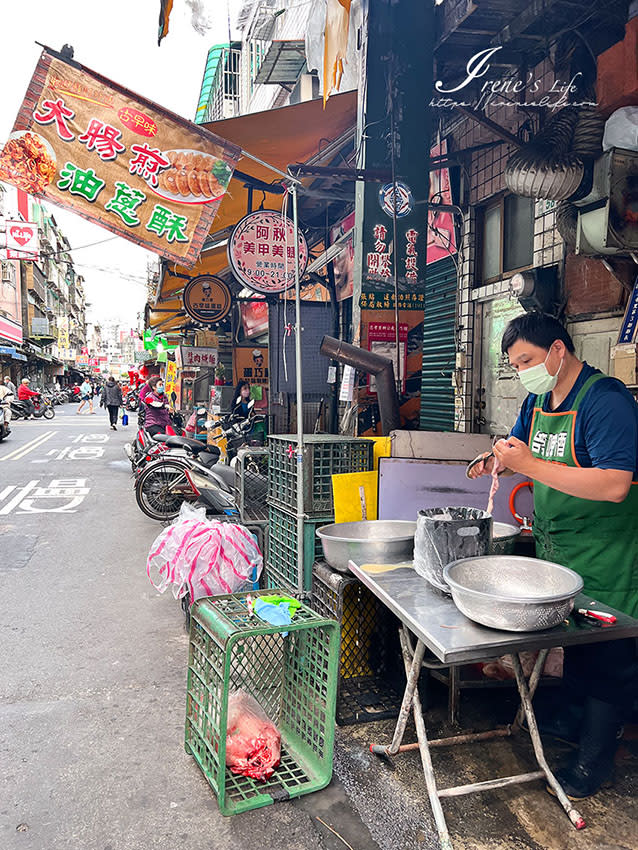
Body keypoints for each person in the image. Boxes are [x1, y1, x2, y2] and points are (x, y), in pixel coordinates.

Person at [468, 311, 638, 800]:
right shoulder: (539, 399)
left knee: (609, 656)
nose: (522, 371)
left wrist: (530, 464)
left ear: (559, 350)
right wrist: (496, 458)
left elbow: (613, 484)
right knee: (577, 641)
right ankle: (576, 721)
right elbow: (517, 448)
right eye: (515, 364)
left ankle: (595, 762)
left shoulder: (605, 402)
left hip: (608, 551)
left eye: (528, 360)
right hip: (560, 546)